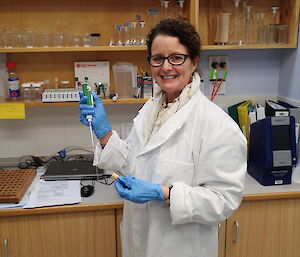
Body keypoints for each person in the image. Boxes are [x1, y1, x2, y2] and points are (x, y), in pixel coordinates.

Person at [79, 18, 247, 257]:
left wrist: (165, 193)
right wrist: (104, 132)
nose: (166, 67)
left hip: (181, 247)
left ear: (194, 62)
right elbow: (133, 165)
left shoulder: (216, 124)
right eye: (158, 58)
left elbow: (223, 200)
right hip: (140, 241)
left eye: (176, 58)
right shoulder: (151, 109)